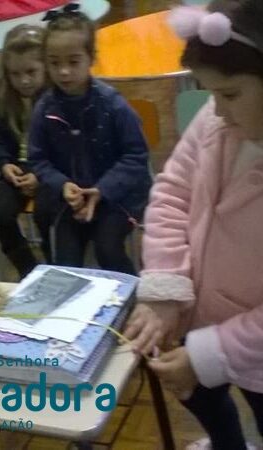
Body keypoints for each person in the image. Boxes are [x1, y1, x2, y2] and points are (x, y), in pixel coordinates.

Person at [123, 2, 263, 449]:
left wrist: (207, 356)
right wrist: (167, 287)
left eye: (230, 94)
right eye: (209, 93)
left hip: (252, 347)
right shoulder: (214, 119)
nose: (216, 110)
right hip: (196, 314)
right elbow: (171, 193)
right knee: (201, 399)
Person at [29, 5, 152, 275]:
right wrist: (62, 185)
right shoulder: (44, 108)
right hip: (71, 199)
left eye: (73, 62)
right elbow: (38, 159)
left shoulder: (113, 105)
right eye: (54, 63)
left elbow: (136, 156)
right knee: (66, 260)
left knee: (107, 248)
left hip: (118, 197)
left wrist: (102, 190)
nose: (63, 72)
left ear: (91, 58)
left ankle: (131, 295)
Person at [0, 24, 46, 279]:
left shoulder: (54, 98)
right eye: (15, 74)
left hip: (48, 171)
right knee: (1, 215)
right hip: (16, 171)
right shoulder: (2, 98)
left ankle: (57, 267)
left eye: (31, 72)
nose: (24, 80)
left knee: (47, 214)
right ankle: (29, 272)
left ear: (46, 66)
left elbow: (61, 148)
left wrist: (39, 175)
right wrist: (3, 164)